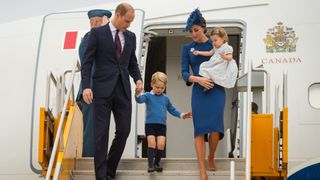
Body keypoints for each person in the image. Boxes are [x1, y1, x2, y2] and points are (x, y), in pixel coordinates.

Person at [81, 3, 143, 180]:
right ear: (117, 14)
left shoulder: (130, 37)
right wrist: (86, 86)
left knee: (124, 130)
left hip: (122, 89)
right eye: (126, 21)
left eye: (131, 22)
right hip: (101, 90)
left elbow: (132, 63)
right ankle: (101, 176)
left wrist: (137, 79)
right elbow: (87, 62)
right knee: (101, 134)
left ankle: (109, 170)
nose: (128, 25)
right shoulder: (97, 33)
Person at [181, 8, 225, 180]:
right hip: (199, 91)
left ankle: (211, 156)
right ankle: (202, 170)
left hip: (216, 89)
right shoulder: (187, 48)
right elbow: (184, 72)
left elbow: (226, 63)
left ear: (204, 28)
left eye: (196, 30)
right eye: (191, 31)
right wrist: (198, 79)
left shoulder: (214, 44)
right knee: (199, 130)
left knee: (215, 127)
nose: (194, 34)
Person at [135, 72, 192, 173]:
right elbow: (139, 100)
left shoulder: (165, 98)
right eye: (157, 87)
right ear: (152, 84)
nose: (159, 90)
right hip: (150, 125)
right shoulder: (148, 95)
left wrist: (183, 115)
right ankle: (150, 165)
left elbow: (172, 109)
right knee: (152, 144)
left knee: (161, 144)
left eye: (162, 88)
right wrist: (138, 93)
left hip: (161, 126)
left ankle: (157, 163)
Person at [77, 9, 112, 158]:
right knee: (92, 130)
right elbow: (89, 64)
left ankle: (97, 158)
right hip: (91, 91)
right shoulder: (90, 38)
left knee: (99, 129)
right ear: (98, 22)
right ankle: (90, 161)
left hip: (99, 91)